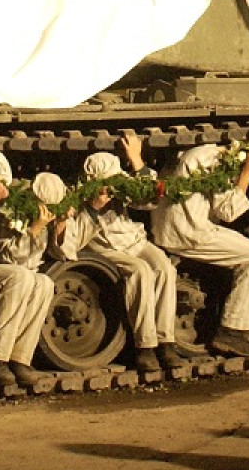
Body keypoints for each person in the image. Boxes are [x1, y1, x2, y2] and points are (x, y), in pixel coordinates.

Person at [53, 133, 184, 372]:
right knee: (140, 271)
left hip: (133, 240)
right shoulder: (79, 195)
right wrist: (93, 208)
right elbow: (73, 241)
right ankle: (145, 345)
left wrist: (136, 160)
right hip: (103, 247)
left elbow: (149, 199)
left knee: (164, 267)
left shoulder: (120, 188)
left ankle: (166, 341)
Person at [149, 142, 249, 357]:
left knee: (238, 245)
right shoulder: (214, 157)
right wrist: (248, 171)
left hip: (166, 225)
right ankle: (233, 331)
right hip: (189, 230)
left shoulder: (193, 151)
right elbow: (228, 211)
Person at [0, 150, 57, 389]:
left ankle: (20, 358)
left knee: (44, 283)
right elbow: (10, 255)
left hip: (10, 266)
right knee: (21, 277)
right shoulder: (10, 210)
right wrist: (35, 230)